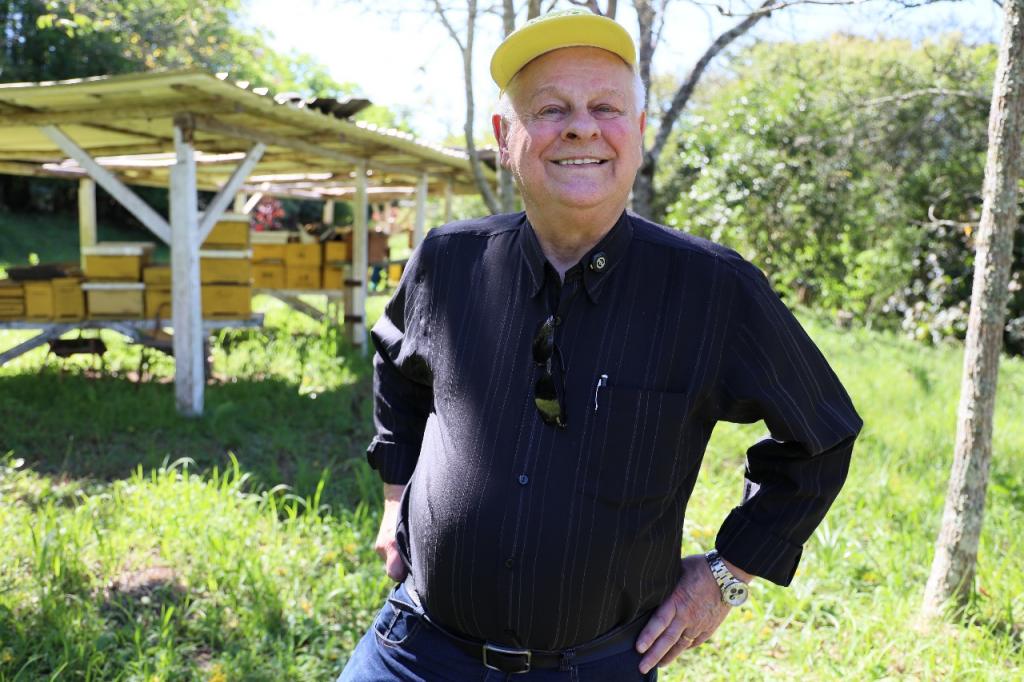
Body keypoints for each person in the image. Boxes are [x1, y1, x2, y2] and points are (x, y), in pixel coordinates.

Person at [339, 9, 862, 681]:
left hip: (596, 667)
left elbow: (822, 438)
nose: (581, 125)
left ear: (638, 134)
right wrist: (395, 493)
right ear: (507, 138)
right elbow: (397, 364)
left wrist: (728, 574)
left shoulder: (713, 290)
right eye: (551, 108)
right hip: (414, 650)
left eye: (605, 107)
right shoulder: (449, 262)